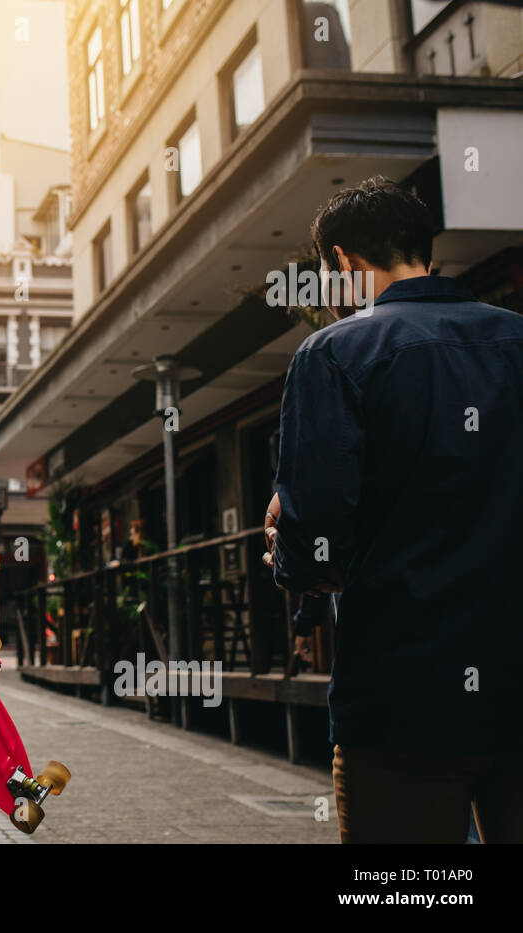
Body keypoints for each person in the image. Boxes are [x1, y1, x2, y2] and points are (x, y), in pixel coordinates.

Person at [262, 178, 523, 843]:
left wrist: (283, 540)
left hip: (402, 696)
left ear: (345, 263)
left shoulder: (335, 354)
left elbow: (310, 537)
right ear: (423, 252)